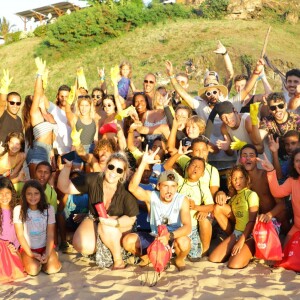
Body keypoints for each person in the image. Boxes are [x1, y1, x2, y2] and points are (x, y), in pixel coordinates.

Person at [57, 152, 139, 270]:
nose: (113, 172)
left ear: (122, 174)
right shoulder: (93, 179)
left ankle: (118, 260)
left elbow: (131, 218)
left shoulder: (126, 188)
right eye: (111, 167)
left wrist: (114, 223)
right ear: (106, 167)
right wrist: (67, 167)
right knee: (81, 243)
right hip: (96, 218)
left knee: (106, 225)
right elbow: (64, 187)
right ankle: (104, 247)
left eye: (119, 170)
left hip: (121, 224)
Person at [123, 148, 191, 271]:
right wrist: (143, 163)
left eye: (173, 186)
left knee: (184, 241)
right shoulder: (152, 196)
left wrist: (169, 236)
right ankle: (147, 257)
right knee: (128, 241)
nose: (169, 190)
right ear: (159, 186)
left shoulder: (182, 199)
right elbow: (132, 188)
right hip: (154, 236)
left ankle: (179, 259)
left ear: (177, 187)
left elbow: (187, 227)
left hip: (172, 237)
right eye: (165, 186)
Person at [215, 144, 290, 234]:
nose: (248, 158)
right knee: (218, 208)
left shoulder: (265, 176)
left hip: (269, 218)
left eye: (251, 156)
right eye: (244, 156)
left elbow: (281, 205)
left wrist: (268, 215)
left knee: (282, 213)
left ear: (256, 160)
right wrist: (220, 193)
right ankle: (234, 236)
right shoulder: (238, 179)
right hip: (248, 220)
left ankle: (286, 237)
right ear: (240, 160)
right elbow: (231, 199)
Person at [164, 151, 214, 260]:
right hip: (175, 226)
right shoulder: (180, 182)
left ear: (203, 173)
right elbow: (166, 166)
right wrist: (179, 153)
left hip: (192, 228)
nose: (195, 168)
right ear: (187, 167)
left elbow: (211, 206)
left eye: (199, 167)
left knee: (194, 257)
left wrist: (196, 207)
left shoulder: (203, 187)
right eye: (193, 165)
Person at [209, 164, 259, 269]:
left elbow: (252, 221)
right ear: (230, 181)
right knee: (213, 258)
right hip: (236, 233)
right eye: (234, 178)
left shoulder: (251, 194)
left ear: (246, 179)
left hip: (250, 235)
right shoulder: (233, 198)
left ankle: (247, 252)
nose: (237, 181)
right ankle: (235, 249)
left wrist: (241, 241)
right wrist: (221, 192)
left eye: (241, 177)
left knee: (233, 265)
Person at [13, 180, 61, 275]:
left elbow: (51, 234)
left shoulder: (49, 209)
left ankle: (51, 257)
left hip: (45, 247)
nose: (33, 197)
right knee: (33, 271)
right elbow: (20, 235)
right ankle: (32, 261)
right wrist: (30, 253)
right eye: (29, 194)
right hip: (28, 248)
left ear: (41, 194)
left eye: (36, 193)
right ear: (24, 195)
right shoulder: (18, 210)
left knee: (52, 269)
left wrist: (47, 253)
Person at [258, 148, 300, 246]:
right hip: (297, 227)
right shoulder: (292, 181)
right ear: (293, 164)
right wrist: (271, 171)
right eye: (297, 160)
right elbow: (277, 192)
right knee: (285, 255)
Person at [24, 60, 58, 178]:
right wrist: (39, 74)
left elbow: (41, 94)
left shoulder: (47, 114)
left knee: (47, 189)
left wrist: (52, 153)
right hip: (38, 151)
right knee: (36, 188)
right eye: (33, 98)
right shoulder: (35, 114)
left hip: (48, 151)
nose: (36, 97)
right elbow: (38, 93)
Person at [46, 85, 72, 155]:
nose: (64, 99)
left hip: (72, 150)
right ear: (57, 96)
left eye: (66, 96)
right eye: (62, 96)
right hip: (57, 151)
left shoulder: (75, 111)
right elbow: (41, 97)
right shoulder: (53, 109)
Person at [0, 177, 20, 254]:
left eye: (7, 193)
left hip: (13, 248)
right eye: (1, 194)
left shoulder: (17, 210)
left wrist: (14, 245)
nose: (4, 197)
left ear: (12, 193)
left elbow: (20, 232)